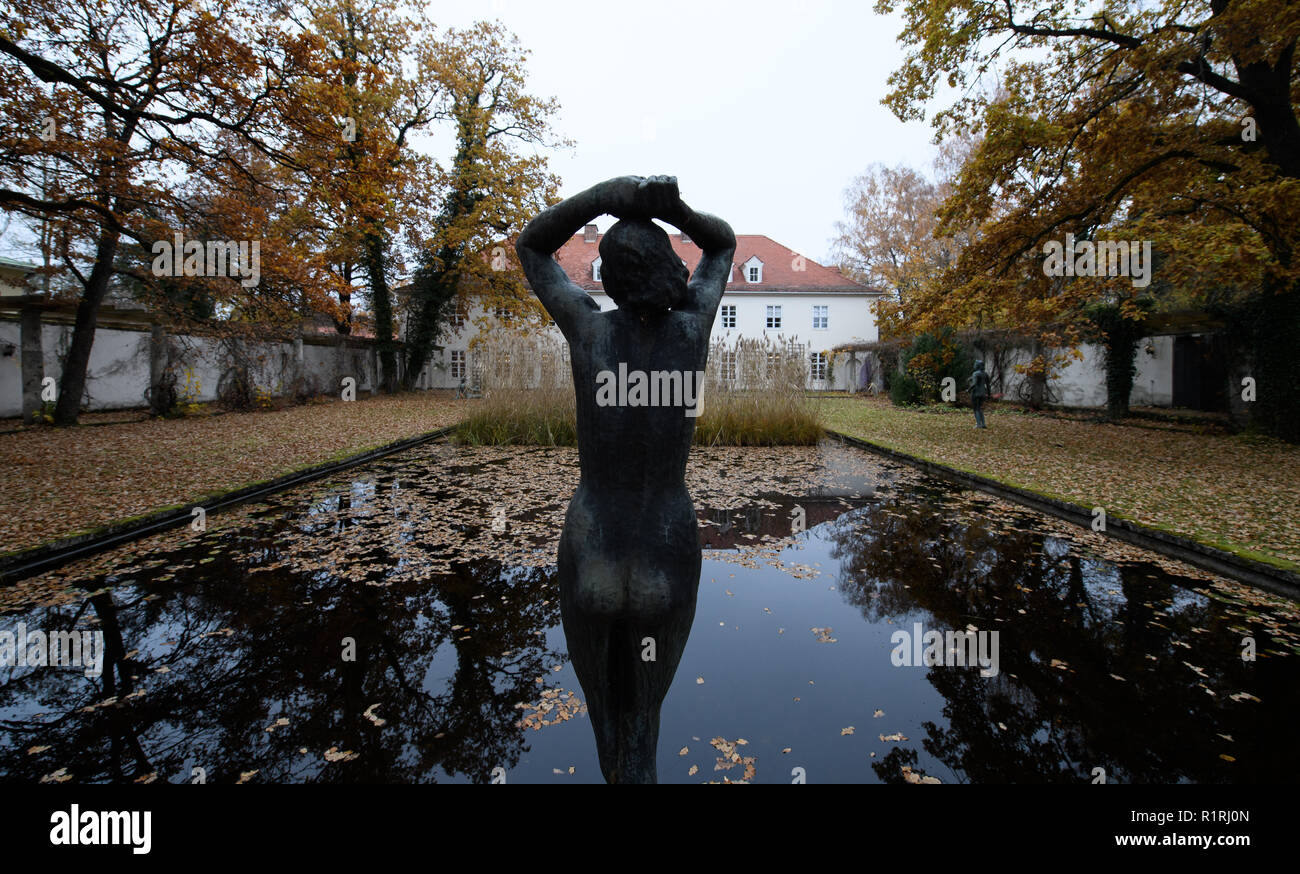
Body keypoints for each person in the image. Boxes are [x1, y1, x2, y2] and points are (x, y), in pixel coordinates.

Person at [515, 175, 735, 783]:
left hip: (594, 550)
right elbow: (722, 247)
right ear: (668, 266)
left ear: (609, 277)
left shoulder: (588, 331)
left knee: (605, 723)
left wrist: (605, 196)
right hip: (665, 550)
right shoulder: (691, 330)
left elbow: (532, 247)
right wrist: (678, 209)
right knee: (644, 724)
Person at [969, 359, 990, 428]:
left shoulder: (975, 373)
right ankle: (983, 423)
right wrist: (989, 394)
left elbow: (974, 384)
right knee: (980, 408)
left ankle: (978, 424)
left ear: (977, 365)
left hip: (976, 393)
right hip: (983, 393)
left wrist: (968, 389)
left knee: (976, 409)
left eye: (975, 364)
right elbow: (988, 385)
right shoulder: (985, 374)